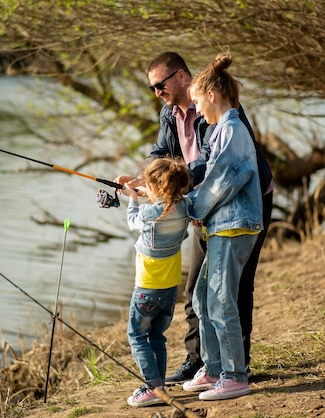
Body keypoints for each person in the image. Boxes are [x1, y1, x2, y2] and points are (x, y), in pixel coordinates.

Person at [116, 51, 274, 385]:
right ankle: (202, 361)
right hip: (205, 206)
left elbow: (213, 165)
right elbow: (161, 153)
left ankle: (236, 367)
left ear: (182, 77)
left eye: (160, 84)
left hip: (238, 207)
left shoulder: (218, 112)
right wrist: (144, 181)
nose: (157, 92)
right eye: (152, 88)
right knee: (199, 290)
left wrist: (178, 193)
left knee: (233, 287)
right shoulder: (169, 113)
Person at [182, 50, 263, 401]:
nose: (197, 109)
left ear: (212, 95)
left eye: (197, 101)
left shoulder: (231, 130)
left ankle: (235, 375)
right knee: (202, 297)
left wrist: (191, 207)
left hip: (234, 227)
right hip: (221, 226)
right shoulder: (219, 131)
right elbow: (207, 176)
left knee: (220, 301)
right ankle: (213, 367)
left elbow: (219, 182)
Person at [122, 157, 192, 407]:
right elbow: (169, 208)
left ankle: (152, 387)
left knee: (137, 336)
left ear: (157, 187)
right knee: (157, 336)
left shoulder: (149, 212)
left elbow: (133, 222)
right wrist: (146, 191)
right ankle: (158, 384)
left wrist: (132, 197)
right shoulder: (184, 207)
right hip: (171, 288)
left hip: (147, 288)